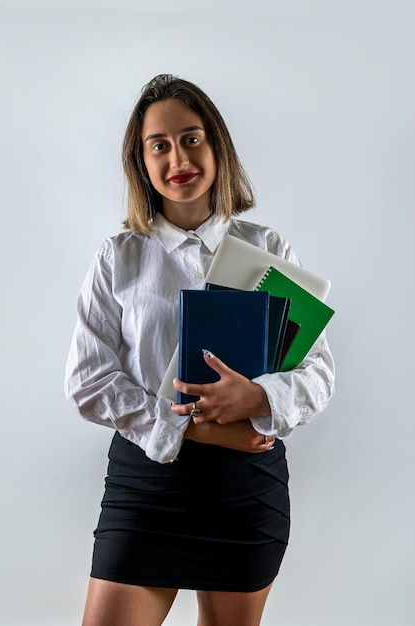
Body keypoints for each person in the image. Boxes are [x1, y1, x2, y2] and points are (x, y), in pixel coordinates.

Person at [65, 73, 335, 626]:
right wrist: (195, 427)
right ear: (141, 162)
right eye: (158, 145)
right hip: (146, 484)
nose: (178, 157)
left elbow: (319, 374)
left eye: (192, 138)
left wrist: (258, 396)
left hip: (244, 490)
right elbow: (88, 382)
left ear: (217, 146)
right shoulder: (119, 257)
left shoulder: (266, 248)